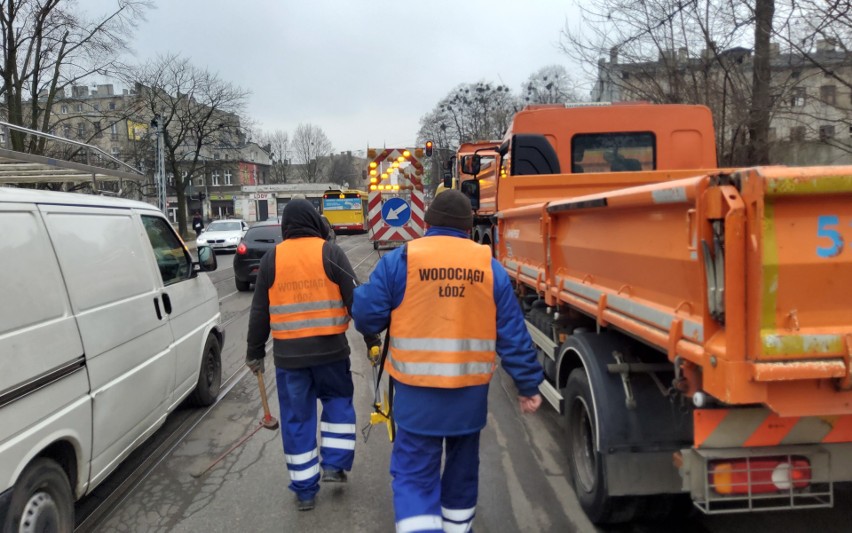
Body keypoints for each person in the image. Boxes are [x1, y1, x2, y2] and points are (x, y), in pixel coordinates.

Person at [352, 189, 544, 533]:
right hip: (468, 402)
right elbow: (513, 333)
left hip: (416, 400)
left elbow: (366, 316)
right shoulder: (488, 266)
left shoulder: (403, 260)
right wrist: (528, 385)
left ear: (428, 224)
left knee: (414, 477)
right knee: (462, 475)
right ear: (469, 227)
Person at [245, 199, 379, 512]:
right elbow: (355, 299)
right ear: (313, 221)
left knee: (297, 418)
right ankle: (334, 464)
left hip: (290, 362)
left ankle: (305, 490)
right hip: (331, 354)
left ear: (286, 227)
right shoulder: (330, 252)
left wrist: (254, 352)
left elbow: (259, 312)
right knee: (338, 405)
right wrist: (371, 337)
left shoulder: (271, 259)